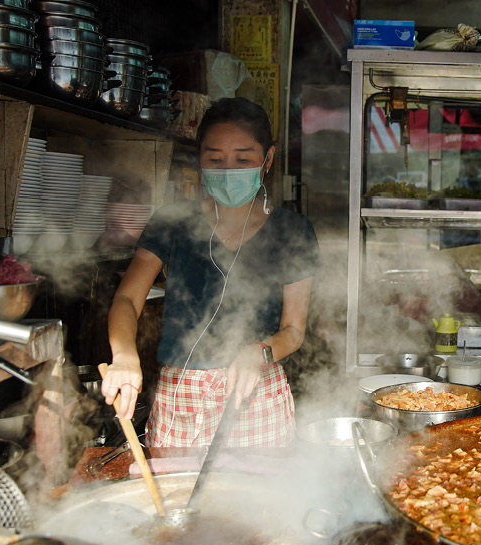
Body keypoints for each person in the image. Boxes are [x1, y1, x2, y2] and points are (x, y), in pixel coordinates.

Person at [102, 97, 319, 448]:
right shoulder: (173, 221)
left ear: (268, 159)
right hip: (180, 398)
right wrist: (124, 355)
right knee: (176, 501)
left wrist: (259, 351)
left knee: (260, 502)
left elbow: (293, 330)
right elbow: (127, 298)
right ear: (199, 160)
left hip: (256, 393)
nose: (229, 170)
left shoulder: (293, 231)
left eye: (243, 159)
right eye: (215, 159)